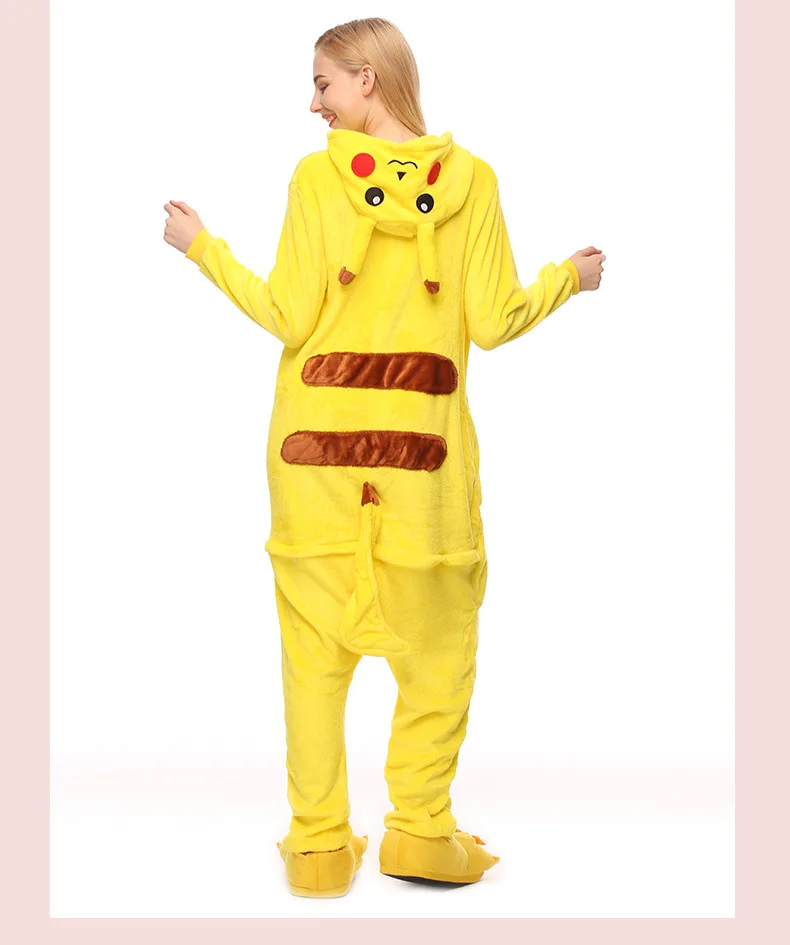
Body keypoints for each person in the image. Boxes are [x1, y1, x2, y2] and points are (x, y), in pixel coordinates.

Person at [163, 17, 605, 898]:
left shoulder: (315, 179)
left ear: (367, 78)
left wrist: (202, 248)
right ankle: (421, 833)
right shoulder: (474, 181)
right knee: (438, 659)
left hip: (313, 469)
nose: (313, 103)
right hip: (424, 477)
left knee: (313, 665)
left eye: (323, 83)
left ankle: (319, 848)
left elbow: (289, 317)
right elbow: (493, 323)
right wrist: (568, 278)